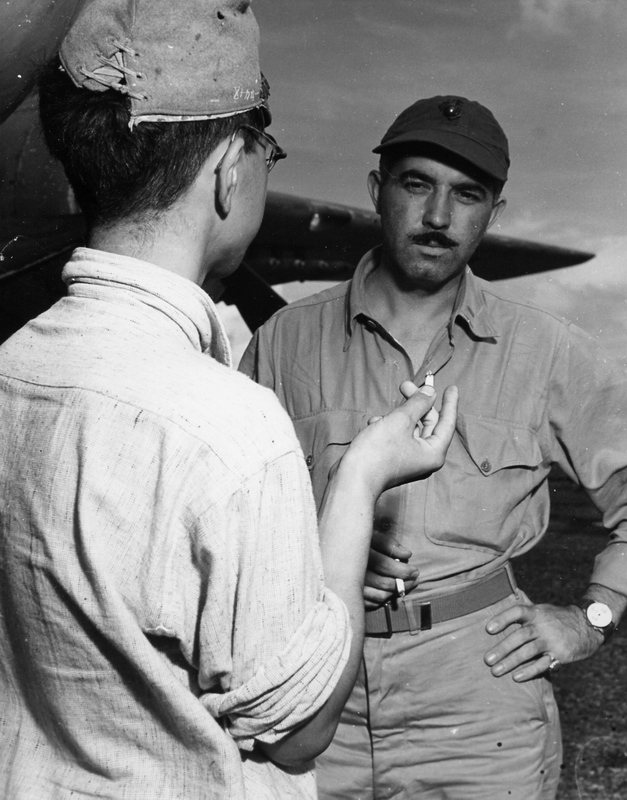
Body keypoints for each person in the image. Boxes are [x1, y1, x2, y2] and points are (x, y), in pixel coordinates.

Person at [0, 5, 459, 798]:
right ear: (228, 172)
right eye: (264, 148)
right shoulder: (230, 429)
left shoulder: (14, 363)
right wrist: (361, 480)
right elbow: (300, 731)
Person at [240, 94, 627, 799]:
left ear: (492, 214)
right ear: (376, 191)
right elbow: (228, 517)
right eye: (416, 184)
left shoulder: (547, 352)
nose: (438, 217)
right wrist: (324, 543)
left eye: (466, 195)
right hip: (312, 694)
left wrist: (590, 618)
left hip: (480, 710)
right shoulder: (283, 341)